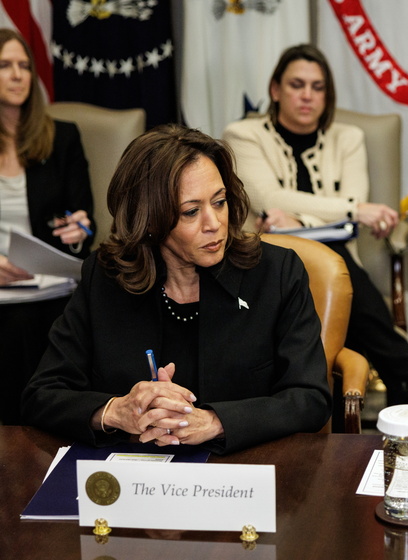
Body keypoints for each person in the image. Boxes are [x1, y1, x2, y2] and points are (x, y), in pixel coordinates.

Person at [22, 124, 331, 454]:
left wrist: (214, 422)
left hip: (243, 473)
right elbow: (41, 394)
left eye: (220, 201)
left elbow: (309, 398)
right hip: (134, 477)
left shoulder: (276, 274)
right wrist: (116, 411)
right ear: (150, 219)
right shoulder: (106, 276)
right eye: (191, 211)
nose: (213, 223)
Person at [223, 44, 408, 407]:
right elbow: (269, 197)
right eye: (296, 84)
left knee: (333, 258)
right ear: (275, 91)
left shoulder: (349, 138)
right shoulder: (242, 135)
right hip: (265, 259)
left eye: (318, 87)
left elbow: (349, 200)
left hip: (335, 257)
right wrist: (349, 211)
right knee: (334, 258)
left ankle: (403, 380)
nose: (307, 95)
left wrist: (300, 221)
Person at [0, 29, 94, 425]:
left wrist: (79, 232)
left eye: (24, 66)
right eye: (5, 66)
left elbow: (86, 223)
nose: (18, 75)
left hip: (47, 285)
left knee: (41, 323)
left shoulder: (62, 138)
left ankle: (41, 433)